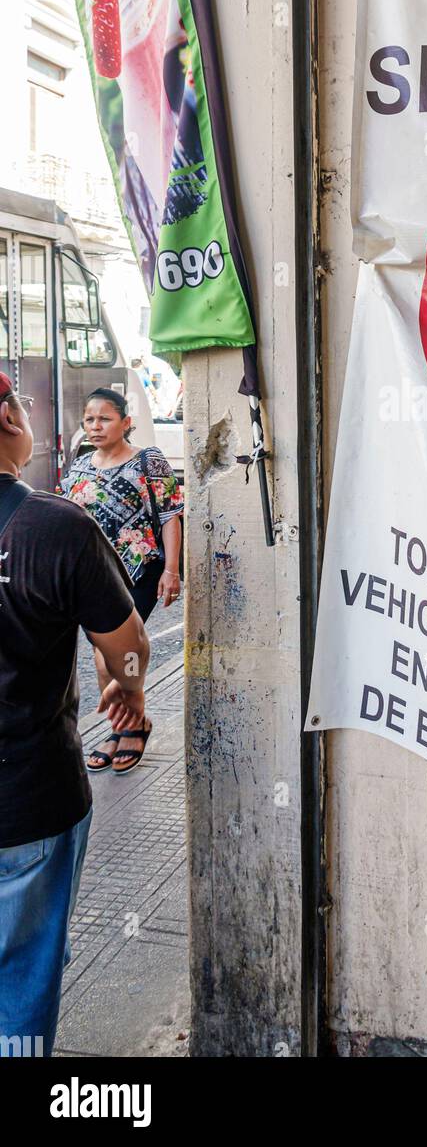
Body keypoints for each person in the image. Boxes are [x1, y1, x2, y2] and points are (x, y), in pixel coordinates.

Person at [0, 373, 150, 1056]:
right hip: (28, 801)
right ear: (9, 421)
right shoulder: (53, 526)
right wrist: (129, 693)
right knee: (23, 980)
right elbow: (125, 645)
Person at [62, 388, 183, 775]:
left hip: (139, 571)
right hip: (92, 576)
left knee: (113, 653)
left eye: (105, 418)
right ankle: (124, 725)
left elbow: (169, 516)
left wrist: (172, 570)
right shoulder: (80, 465)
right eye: (89, 420)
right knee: (102, 662)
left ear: (126, 423)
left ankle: (135, 723)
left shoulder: (149, 460)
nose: (95, 426)